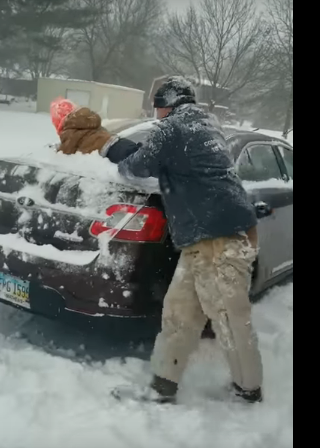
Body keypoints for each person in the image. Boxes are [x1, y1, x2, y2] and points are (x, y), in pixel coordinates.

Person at [115, 76, 264, 404]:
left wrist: (118, 152)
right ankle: (163, 385)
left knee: (228, 318)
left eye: (157, 107)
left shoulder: (172, 128)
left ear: (166, 105)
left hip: (218, 238)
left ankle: (248, 390)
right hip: (200, 239)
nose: (155, 115)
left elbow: (135, 168)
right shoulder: (207, 123)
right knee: (179, 312)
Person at [49, 98, 140, 158]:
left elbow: (65, 153)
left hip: (114, 152)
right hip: (120, 145)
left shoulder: (70, 135)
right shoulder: (89, 125)